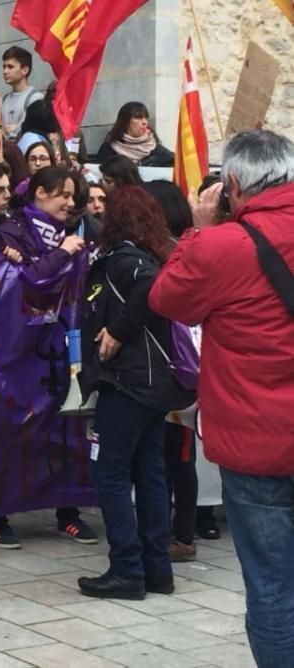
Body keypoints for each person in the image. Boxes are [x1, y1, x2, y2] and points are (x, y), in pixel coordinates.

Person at [149, 130, 294, 667]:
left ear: (231, 183)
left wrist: (200, 230)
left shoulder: (220, 245)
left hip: (255, 444)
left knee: (272, 585)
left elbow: (168, 299)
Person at [77, 185, 195, 601]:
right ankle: (155, 569)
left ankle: (126, 568)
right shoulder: (152, 254)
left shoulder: (124, 259)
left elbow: (148, 288)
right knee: (150, 472)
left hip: (128, 382)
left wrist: (117, 330)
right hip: (154, 386)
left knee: (109, 471)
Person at [0, 167, 98, 548]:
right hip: (19, 351)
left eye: (72, 196)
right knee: (11, 433)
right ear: (39, 194)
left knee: (66, 433)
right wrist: (62, 254)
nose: (71, 203)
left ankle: (68, 512)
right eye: (62, 195)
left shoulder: (81, 232)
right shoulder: (10, 231)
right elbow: (26, 282)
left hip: (64, 346)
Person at [142, 179, 198, 563]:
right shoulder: (179, 249)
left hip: (179, 367)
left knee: (178, 457)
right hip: (180, 365)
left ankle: (182, 535)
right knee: (174, 454)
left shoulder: (174, 254)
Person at [96, 102, 174, 167]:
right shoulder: (109, 149)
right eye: (138, 118)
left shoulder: (156, 149)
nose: (144, 122)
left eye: (146, 118)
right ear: (126, 122)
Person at [1, 46, 44, 142]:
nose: (5, 71)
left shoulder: (36, 99)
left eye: (10, 67)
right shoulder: (2, 100)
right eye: (4, 67)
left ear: (25, 70)